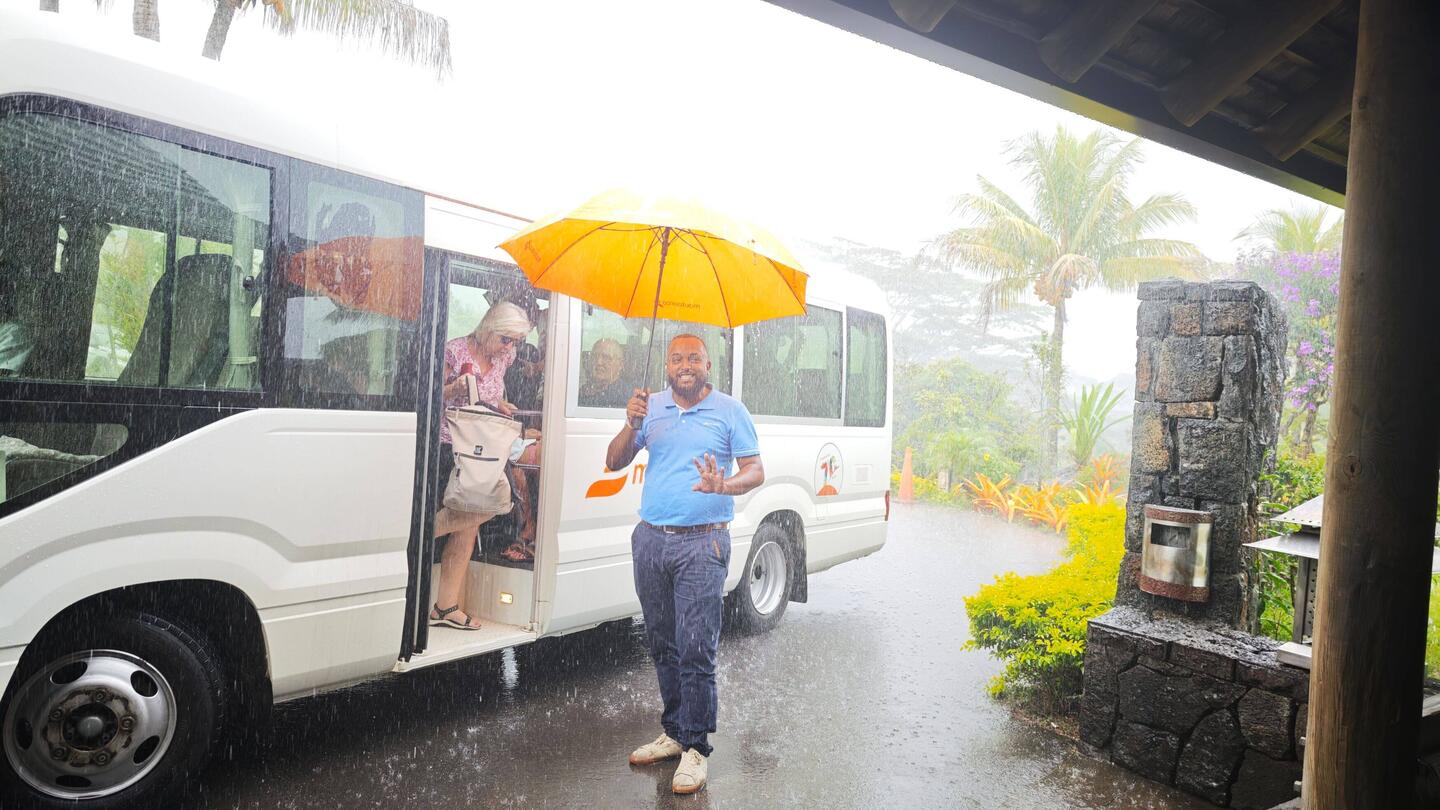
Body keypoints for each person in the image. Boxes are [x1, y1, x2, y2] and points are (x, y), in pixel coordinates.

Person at [605, 334, 764, 795]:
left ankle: (696, 748)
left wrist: (724, 486)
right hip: (651, 540)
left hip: (703, 543)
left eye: (694, 357)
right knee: (662, 643)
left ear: (708, 364)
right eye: (677, 358)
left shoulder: (731, 411)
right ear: (668, 366)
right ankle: (674, 731)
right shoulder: (648, 407)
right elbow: (613, 461)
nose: (685, 365)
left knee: (696, 648)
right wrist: (628, 423)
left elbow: (756, 470)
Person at [430, 301, 532, 631]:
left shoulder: (505, 356)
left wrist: (500, 405)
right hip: (450, 446)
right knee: (470, 515)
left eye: (515, 342)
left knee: (473, 520)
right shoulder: (454, 351)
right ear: (489, 328)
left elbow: (492, 394)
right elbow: (429, 395)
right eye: (506, 339)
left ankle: (445, 606)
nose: (510, 348)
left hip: (485, 447)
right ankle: (421, 537)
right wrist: (454, 388)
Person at [579, 337, 631, 408]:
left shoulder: (625, 397)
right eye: (595, 356)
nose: (599, 362)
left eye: (606, 357)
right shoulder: (583, 391)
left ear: (620, 364)